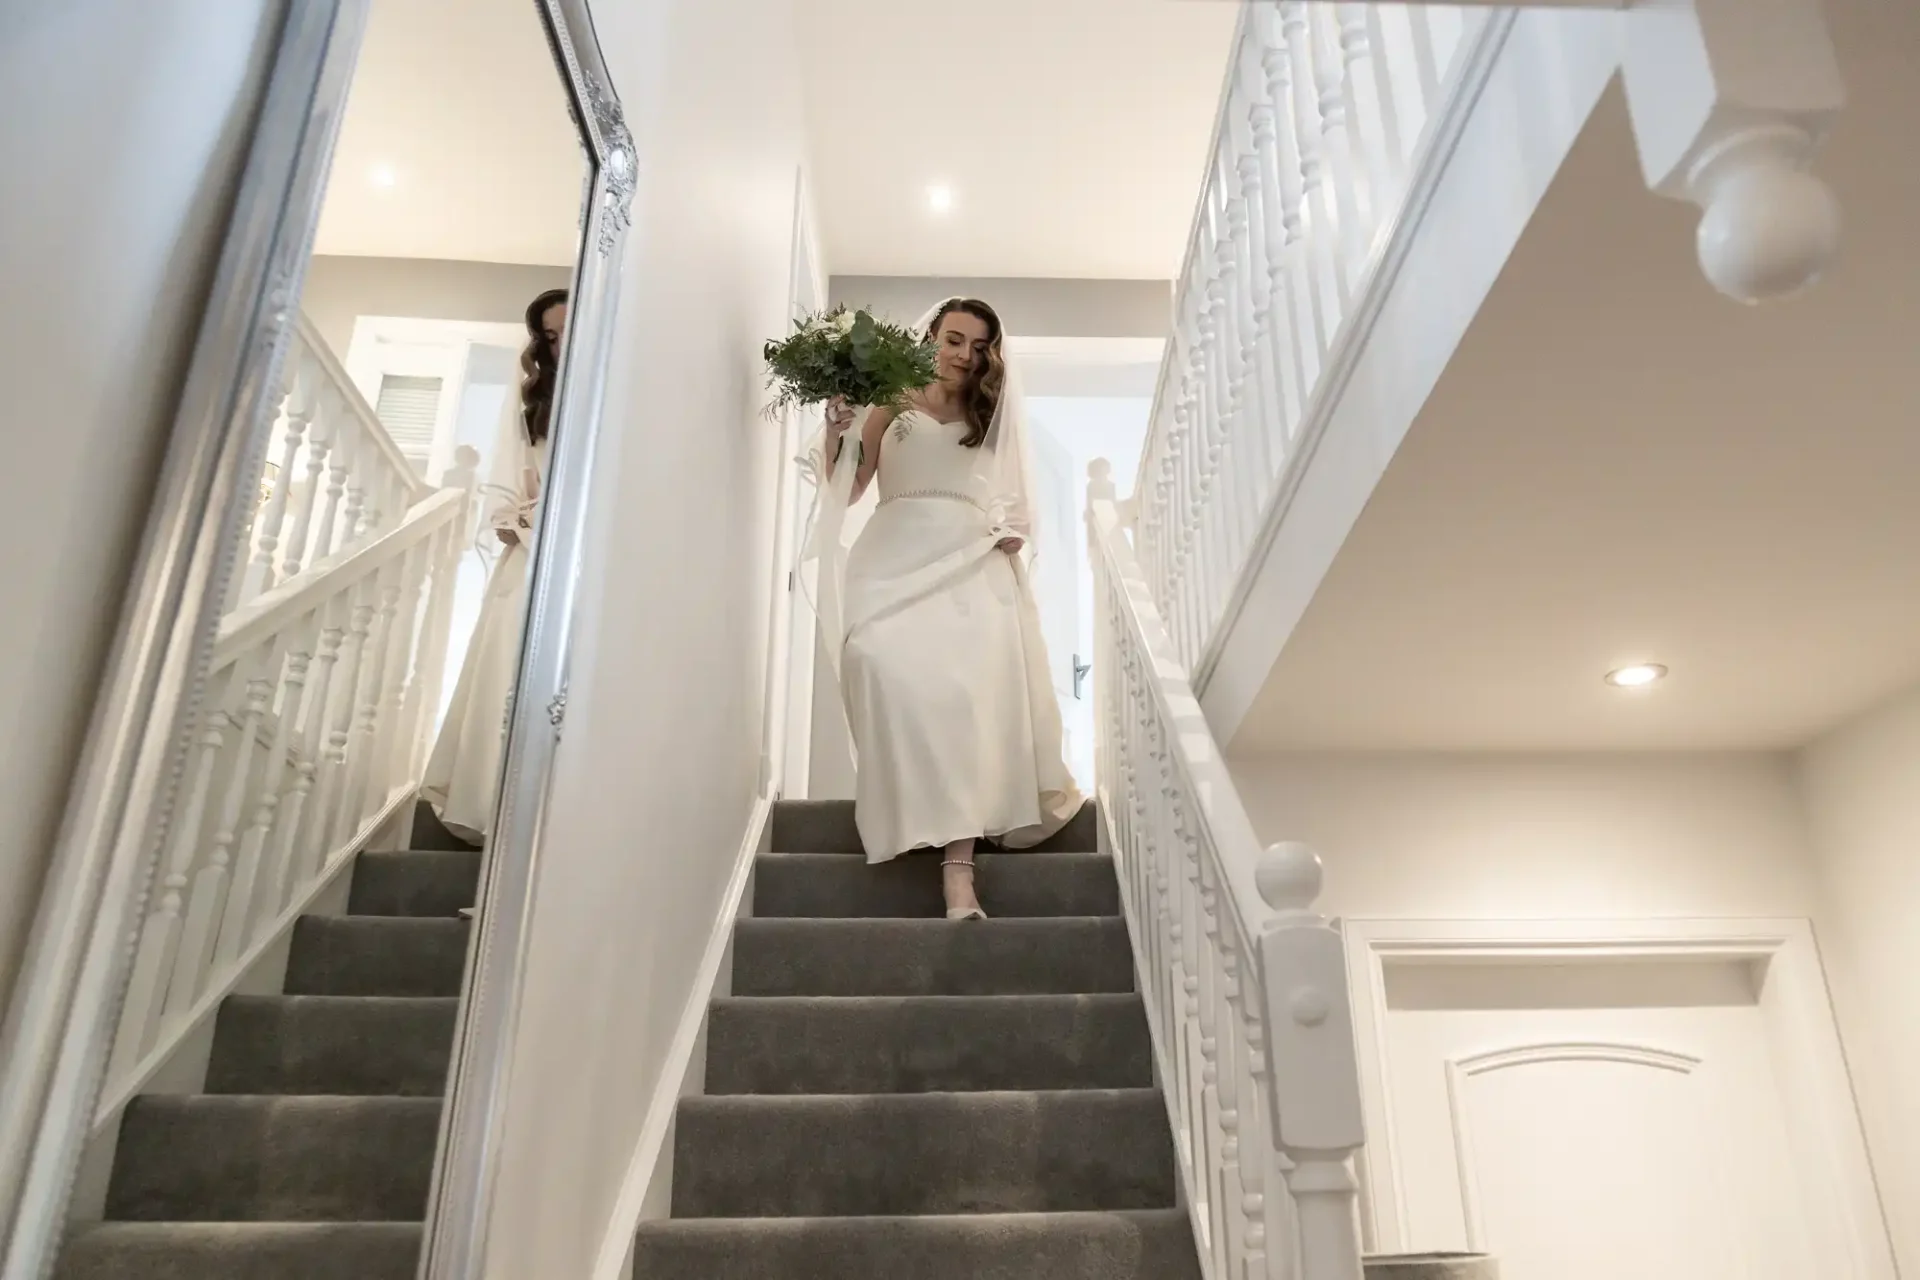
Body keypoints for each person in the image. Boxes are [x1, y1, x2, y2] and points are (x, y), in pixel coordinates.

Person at [809, 297, 1083, 919]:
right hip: (891, 557)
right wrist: (836, 430)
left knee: (961, 697)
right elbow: (847, 489)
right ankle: (909, 807)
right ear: (930, 335)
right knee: (877, 663)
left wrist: (1013, 528)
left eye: (979, 346)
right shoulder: (887, 398)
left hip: (969, 560)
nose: (965, 355)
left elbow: (1016, 499)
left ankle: (958, 873)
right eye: (954, 339)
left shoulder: (992, 410)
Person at [421, 288, 566, 851]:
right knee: (510, 663)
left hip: (587, 556)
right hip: (531, 552)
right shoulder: (534, 403)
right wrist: (523, 519)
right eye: (549, 338)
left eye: (567, 331)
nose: (558, 346)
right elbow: (511, 489)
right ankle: (504, 815)